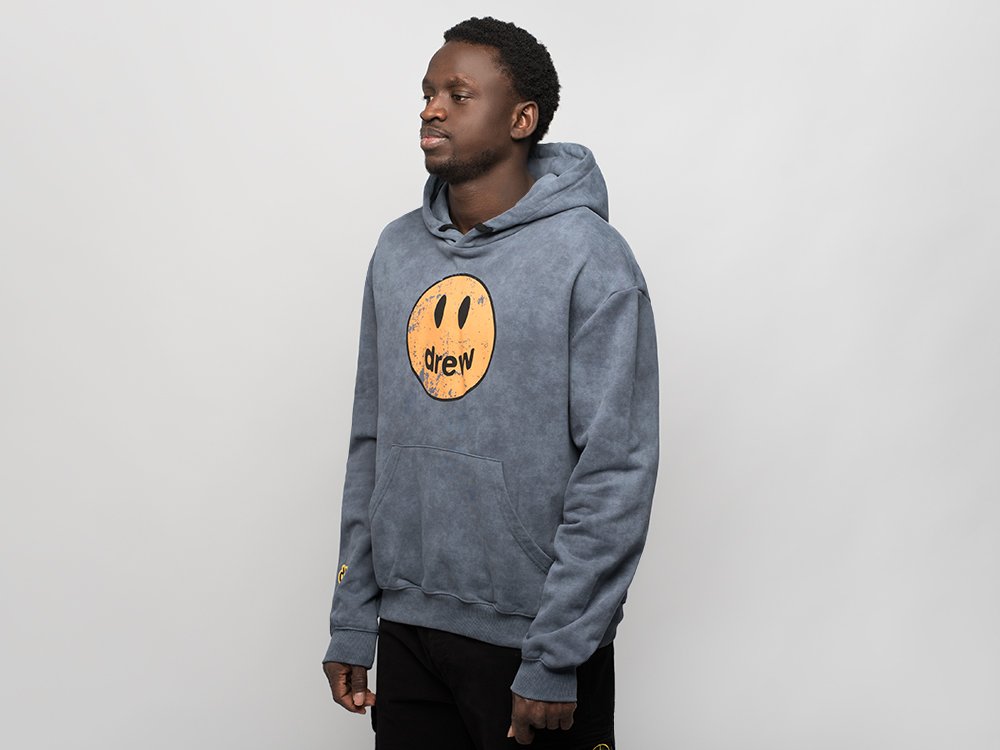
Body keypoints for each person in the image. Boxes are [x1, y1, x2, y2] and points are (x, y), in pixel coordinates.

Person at [322, 16, 659, 749]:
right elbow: (371, 441)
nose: (431, 109)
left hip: (534, 641)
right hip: (407, 629)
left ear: (521, 119)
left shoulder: (591, 258)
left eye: (458, 94)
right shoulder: (397, 250)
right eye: (427, 93)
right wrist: (353, 616)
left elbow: (616, 470)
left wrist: (557, 654)